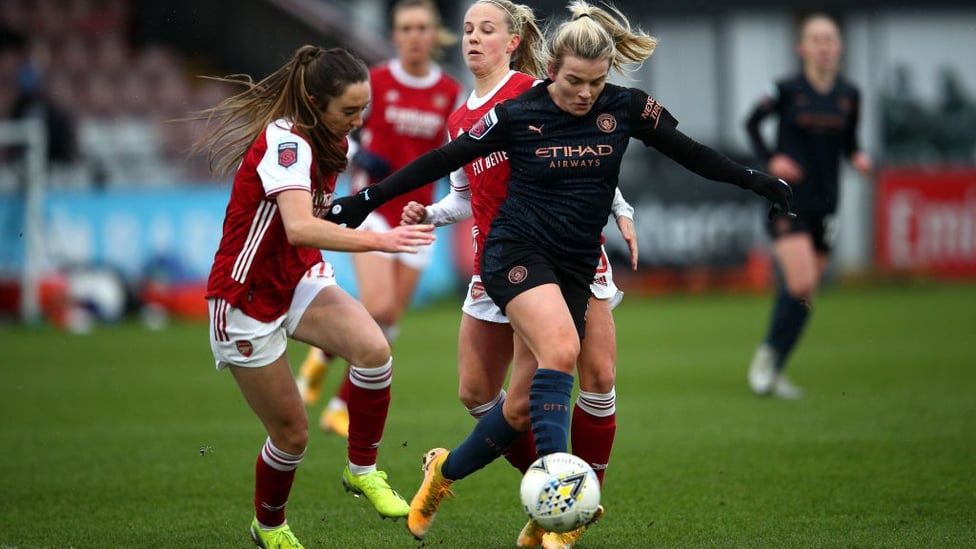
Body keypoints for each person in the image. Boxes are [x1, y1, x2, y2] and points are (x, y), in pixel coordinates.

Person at [325, 1, 792, 545]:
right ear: (551, 71)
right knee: (561, 353)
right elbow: (443, 161)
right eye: (574, 81)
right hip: (515, 251)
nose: (584, 94)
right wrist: (365, 200)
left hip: (574, 264)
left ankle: (443, 473)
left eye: (595, 83)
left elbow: (691, 154)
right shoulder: (519, 111)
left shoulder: (628, 108)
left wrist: (754, 180)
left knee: (521, 404)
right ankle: (559, 504)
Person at [398, 1, 637, 546]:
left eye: (487, 29)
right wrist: (428, 213)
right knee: (478, 392)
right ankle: (471, 475)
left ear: (514, 40)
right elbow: (462, 197)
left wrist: (621, 209)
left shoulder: (538, 93)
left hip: (563, 256)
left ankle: (568, 507)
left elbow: (590, 156)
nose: (473, 39)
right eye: (466, 30)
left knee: (593, 376)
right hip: (500, 261)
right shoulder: (461, 117)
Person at [193, 46, 436, 549]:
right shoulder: (288, 143)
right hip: (246, 298)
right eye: (348, 110)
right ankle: (270, 525)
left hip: (297, 278)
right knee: (293, 435)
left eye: (363, 108)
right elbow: (301, 227)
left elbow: (307, 234)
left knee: (374, 350)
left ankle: (362, 469)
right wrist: (379, 239)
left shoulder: (331, 139)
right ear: (313, 101)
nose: (358, 119)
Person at [294, 0, 464, 438]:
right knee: (381, 306)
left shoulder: (449, 92)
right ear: (394, 34)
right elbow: (339, 131)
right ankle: (325, 358)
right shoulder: (376, 81)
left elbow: (459, 150)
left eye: (422, 27)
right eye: (406, 27)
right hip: (371, 210)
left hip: (418, 214)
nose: (414, 35)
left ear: (435, 34)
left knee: (386, 324)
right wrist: (357, 153)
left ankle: (337, 403)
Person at [744, 13, 871, 400]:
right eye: (816, 40)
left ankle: (776, 366)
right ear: (802, 48)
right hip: (788, 197)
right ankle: (765, 359)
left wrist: (857, 156)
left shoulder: (850, 94)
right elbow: (750, 123)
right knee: (800, 282)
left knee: (805, 293)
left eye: (830, 39)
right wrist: (772, 160)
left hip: (827, 202)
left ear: (839, 47)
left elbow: (849, 141)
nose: (824, 46)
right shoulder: (785, 89)